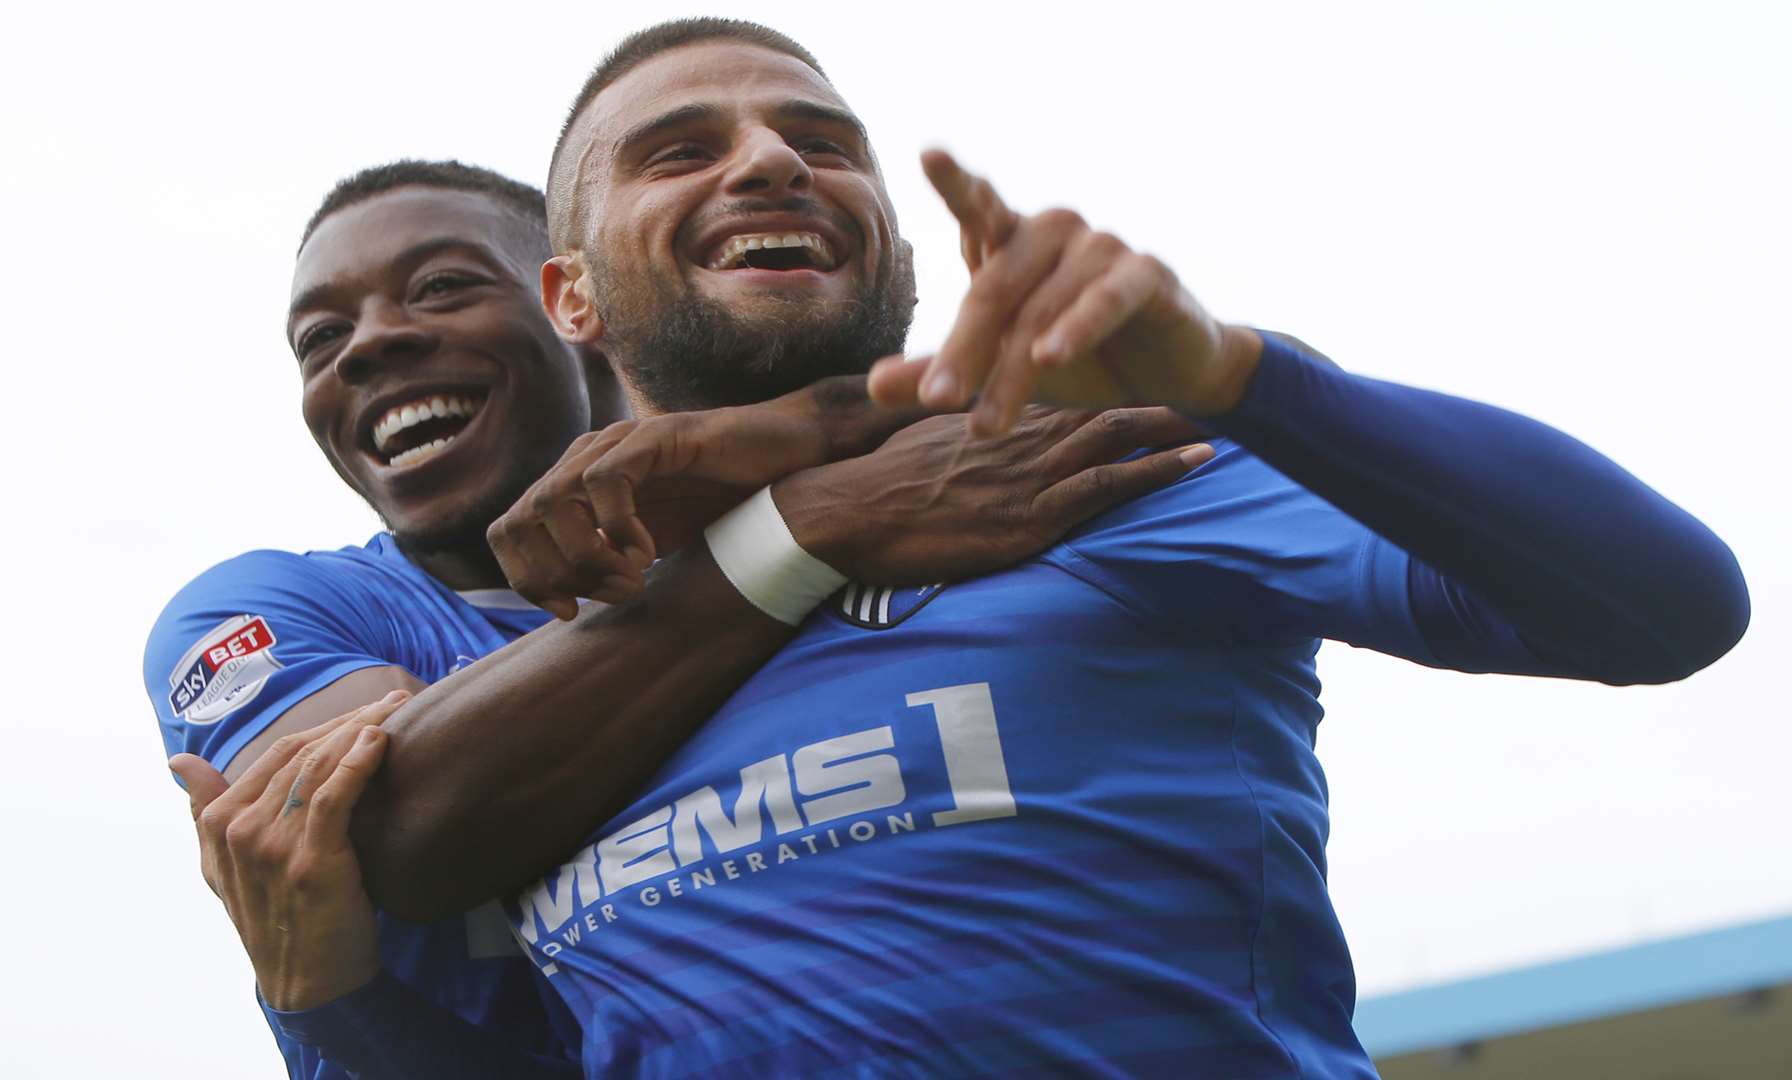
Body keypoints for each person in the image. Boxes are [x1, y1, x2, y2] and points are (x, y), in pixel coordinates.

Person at [474, 17, 1747, 1077]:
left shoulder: (1092, 471)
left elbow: (1666, 606)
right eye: (679, 151)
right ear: (570, 295)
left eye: (821, 144)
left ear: (902, 259)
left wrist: (1241, 378)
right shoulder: (531, 672)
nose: (769, 165)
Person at [147, 159, 1210, 1077]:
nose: (368, 345)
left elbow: (1066, 408)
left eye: (441, 286)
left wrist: (802, 464)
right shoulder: (272, 609)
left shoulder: (884, 533)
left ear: (581, 311)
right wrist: (797, 532)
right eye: (319, 336)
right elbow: (389, 828)